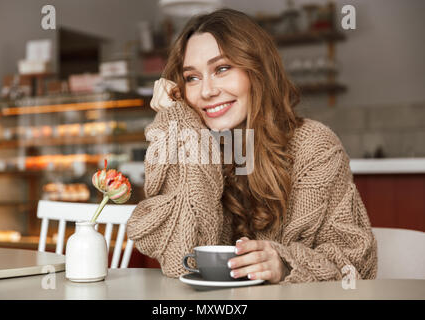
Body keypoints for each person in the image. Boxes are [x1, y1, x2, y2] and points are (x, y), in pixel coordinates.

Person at [126, 8, 377, 284]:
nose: (207, 91)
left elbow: (355, 266)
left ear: (257, 71)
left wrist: (284, 264)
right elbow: (182, 260)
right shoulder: (192, 144)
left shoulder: (315, 147)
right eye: (192, 78)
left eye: (222, 69)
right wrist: (180, 119)